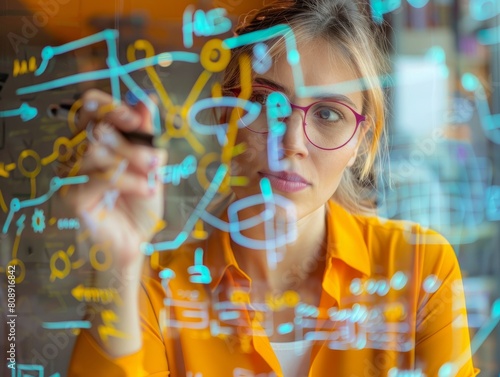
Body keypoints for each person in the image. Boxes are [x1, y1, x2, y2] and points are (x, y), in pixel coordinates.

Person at [66, 0, 479, 376]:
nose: (292, 143)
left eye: (329, 114)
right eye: (265, 102)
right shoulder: (155, 288)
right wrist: (117, 266)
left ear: (361, 143)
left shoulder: (420, 268)